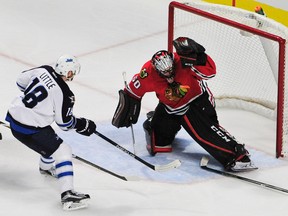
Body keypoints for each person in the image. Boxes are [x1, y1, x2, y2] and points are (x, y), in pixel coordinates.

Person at [112, 37, 257, 172]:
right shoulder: (148, 74)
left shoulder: (183, 61)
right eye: (165, 73)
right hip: (170, 108)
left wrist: (200, 57)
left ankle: (237, 155)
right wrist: (129, 104)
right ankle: (158, 122)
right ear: (155, 69)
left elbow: (210, 73)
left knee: (205, 134)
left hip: (196, 103)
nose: (169, 75)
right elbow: (132, 90)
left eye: (171, 71)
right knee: (157, 142)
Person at [5, 54, 96, 211]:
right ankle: (68, 195)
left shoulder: (43, 70)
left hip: (14, 119)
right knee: (63, 150)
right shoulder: (65, 94)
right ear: (68, 73)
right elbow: (65, 123)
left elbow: (20, 82)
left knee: (50, 140)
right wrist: (82, 124)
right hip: (29, 128)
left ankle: (46, 168)